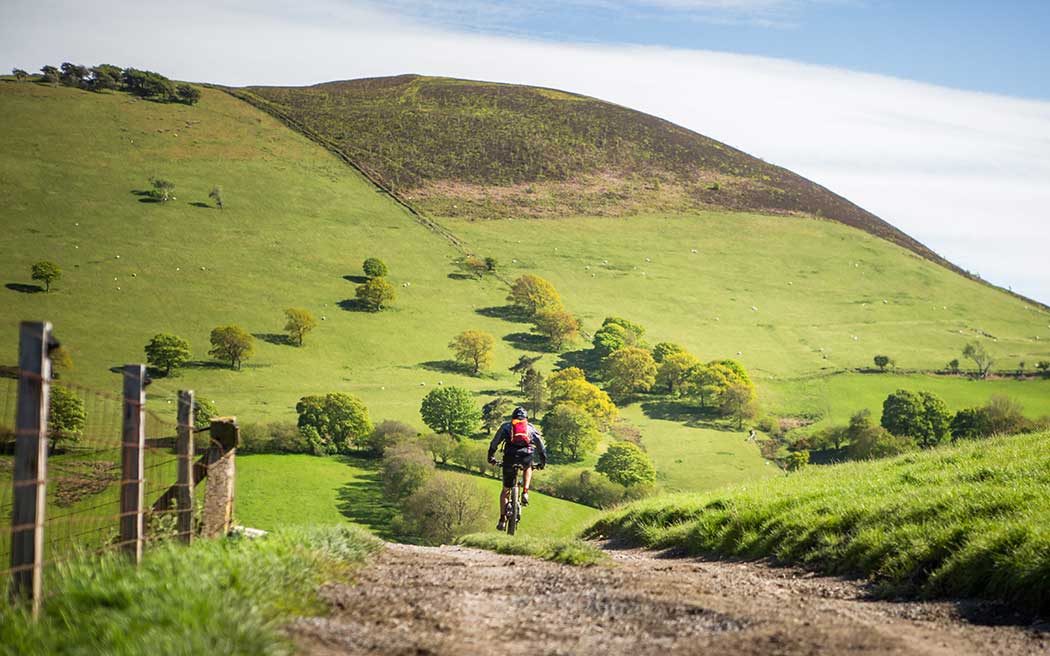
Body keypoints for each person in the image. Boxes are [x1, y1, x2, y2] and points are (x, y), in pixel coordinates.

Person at [487, 406, 547, 531]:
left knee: (505, 491)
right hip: (526, 455)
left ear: (512, 418)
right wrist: (542, 462)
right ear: (526, 418)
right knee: (528, 467)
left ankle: (502, 520)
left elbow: (495, 442)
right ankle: (525, 492)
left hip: (510, 457)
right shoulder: (530, 427)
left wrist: (491, 456)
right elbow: (540, 446)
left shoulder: (506, 426)